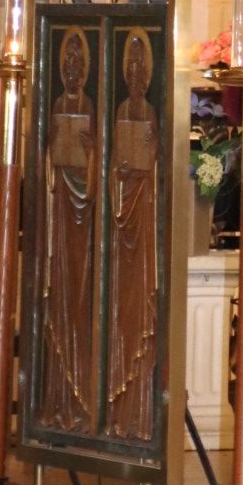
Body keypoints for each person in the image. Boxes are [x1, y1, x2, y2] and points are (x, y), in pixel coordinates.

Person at [40, 27, 96, 432]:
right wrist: (50, 151)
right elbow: (45, 167)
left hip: (86, 217)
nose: (73, 68)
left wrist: (92, 154)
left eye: (78, 61)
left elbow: (101, 165)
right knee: (59, 301)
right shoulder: (57, 103)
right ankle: (57, 399)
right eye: (67, 61)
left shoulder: (90, 105)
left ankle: (84, 399)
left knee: (82, 300)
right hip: (60, 210)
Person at [107, 29, 160, 443]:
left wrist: (151, 156)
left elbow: (158, 164)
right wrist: (115, 172)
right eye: (132, 68)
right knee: (118, 302)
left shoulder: (151, 113)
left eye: (143, 68)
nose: (137, 75)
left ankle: (141, 411)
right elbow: (109, 164)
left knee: (142, 300)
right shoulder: (121, 108)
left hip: (145, 215)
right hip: (122, 212)